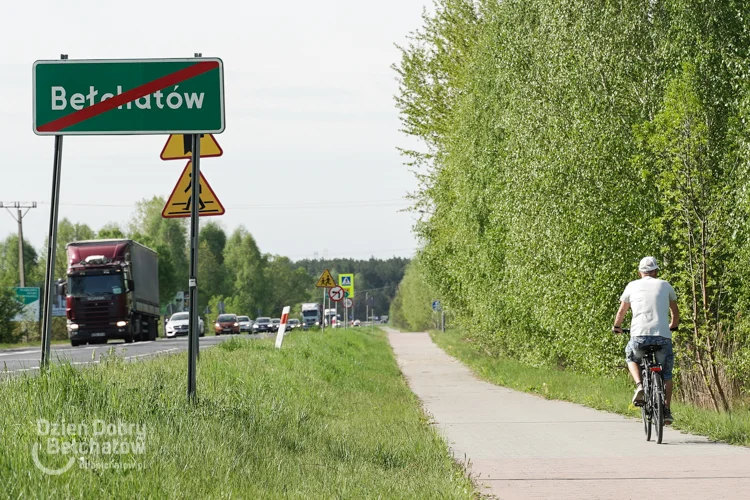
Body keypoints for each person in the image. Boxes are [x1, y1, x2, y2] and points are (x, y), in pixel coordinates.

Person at [612, 256, 679, 424]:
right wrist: (673, 325)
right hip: (663, 336)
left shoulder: (631, 286)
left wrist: (616, 326)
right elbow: (675, 312)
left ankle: (640, 385)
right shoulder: (665, 285)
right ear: (656, 271)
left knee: (631, 357)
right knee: (667, 374)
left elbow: (621, 312)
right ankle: (667, 411)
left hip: (639, 336)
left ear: (640, 272)